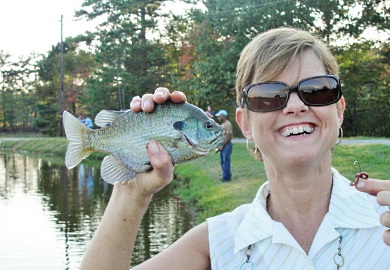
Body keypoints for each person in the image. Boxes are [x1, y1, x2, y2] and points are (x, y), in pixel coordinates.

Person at [79, 27, 390, 269]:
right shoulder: (218, 241)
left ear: (339, 110)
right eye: (269, 95)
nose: (295, 106)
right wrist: (131, 192)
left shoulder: (384, 218)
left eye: (317, 90)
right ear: (245, 124)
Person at [215, 109, 233, 182]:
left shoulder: (227, 124)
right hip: (224, 145)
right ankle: (227, 176)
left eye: (219, 116)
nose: (218, 117)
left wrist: (223, 146)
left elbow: (228, 136)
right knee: (223, 162)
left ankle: (226, 178)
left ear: (223, 116)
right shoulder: (223, 124)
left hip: (227, 146)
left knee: (226, 162)